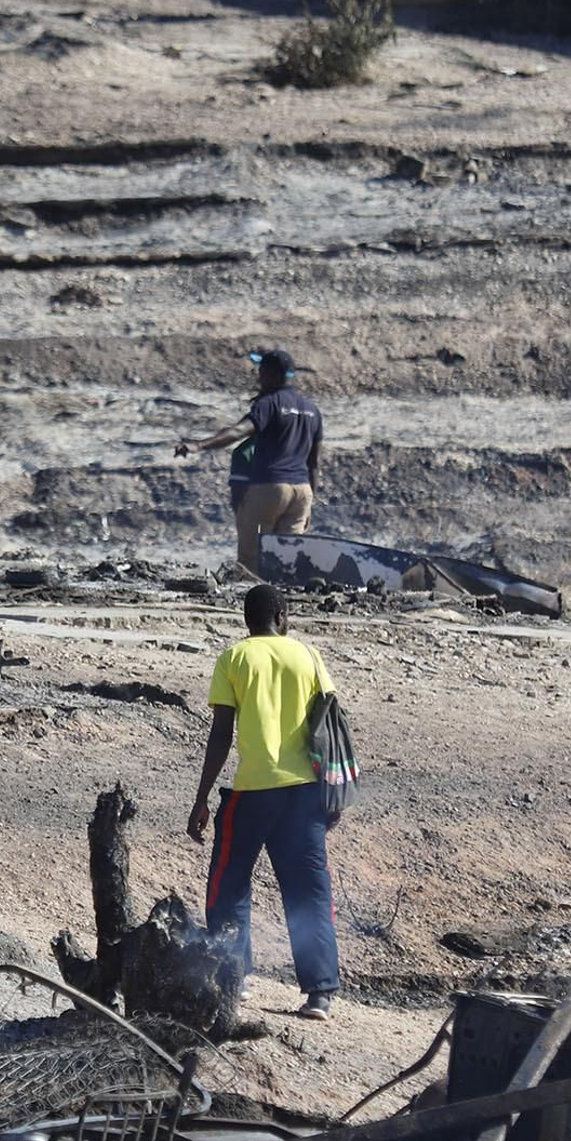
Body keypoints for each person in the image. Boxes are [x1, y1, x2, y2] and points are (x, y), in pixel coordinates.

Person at [187, 582, 340, 1020]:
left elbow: (221, 733)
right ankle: (320, 993)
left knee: (228, 886)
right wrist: (334, 790)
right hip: (304, 795)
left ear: (246, 620)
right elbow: (329, 724)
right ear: (283, 615)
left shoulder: (234, 658)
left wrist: (201, 798)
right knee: (309, 892)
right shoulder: (308, 656)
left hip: (252, 793)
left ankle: (236, 977)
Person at [176, 348, 322, 577]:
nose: (259, 376)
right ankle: (280, 604)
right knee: (287, 562)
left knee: (250, 562)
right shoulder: (312, 410)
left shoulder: (269, 403)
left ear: (272, 373)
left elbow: (238, 431)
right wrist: (310, 501)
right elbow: (314, 464)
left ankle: (250, 606)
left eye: (262, 370)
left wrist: (199, 445)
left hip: (271, 488)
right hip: (302, 492)